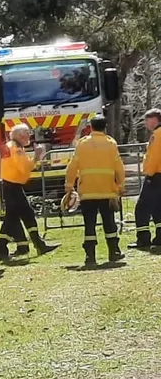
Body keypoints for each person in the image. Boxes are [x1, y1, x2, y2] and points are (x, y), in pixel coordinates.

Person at [65, 114, 127, 267]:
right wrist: (121, 185)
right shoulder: (111, 143)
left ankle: (90, 257)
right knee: (109, 223)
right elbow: (119, 166)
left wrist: (69, 186)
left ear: (90, 127)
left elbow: (73, 166)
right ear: (105, 127)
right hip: (107, 191)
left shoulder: (82, 143)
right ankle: (114, 252)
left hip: (87, 191)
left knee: (89, 224)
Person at [0, 124, 59, 260]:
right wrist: (36, 157)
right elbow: (24, 168)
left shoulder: (14, 146)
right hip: (12, 186)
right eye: (26, 133)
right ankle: (3, 249)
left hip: (12, 185)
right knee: (13, 218)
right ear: (18, 135)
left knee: (21, 216)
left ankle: (33, 245)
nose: (29, 136)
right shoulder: (15, 148)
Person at [130, 108, 161, 251]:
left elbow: (154, 157)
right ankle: (160, 237)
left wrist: (149, 173)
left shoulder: (157, 135)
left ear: (155, 119)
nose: (146, 123)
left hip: (155, 175)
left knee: (142, 207)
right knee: (158, 207)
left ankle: (143, 238)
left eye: (147, 119)